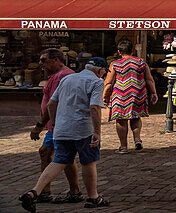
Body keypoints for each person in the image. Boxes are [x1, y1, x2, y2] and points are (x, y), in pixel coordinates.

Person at [19, 57, 110, 212]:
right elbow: (94, 107)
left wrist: (55, 124)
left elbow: (51, 104)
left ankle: (34, 192)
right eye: (104, 72)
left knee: (59, 161)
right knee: (88, 161)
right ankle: (92, 197)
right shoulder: (96, 82)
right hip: (83, 129)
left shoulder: (68, 79)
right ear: (100, 71)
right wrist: (97, 132)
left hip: (62, 129)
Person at [28, 49, 82, 205]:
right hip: (56, 124)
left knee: (63, 155)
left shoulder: (62, 77)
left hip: (59, 124)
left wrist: (39, 125)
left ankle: (73, 191)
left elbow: (53, 104)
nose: (41, 64)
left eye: (44, 60)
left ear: (57, 60)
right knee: (49, 153)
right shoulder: (58, 76)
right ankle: (47, 192)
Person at [102, 38, 157, 152]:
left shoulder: (115, 64)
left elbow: (108, 83)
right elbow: (149, 80)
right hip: (138, 93)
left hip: (120, 95)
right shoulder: (141, 62)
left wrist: (105, 97)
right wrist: (154, 92)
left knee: (121, 119)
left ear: (119, 52)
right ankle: (137, 139)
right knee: (136, 116)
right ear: (132, 50)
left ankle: (123, 146)